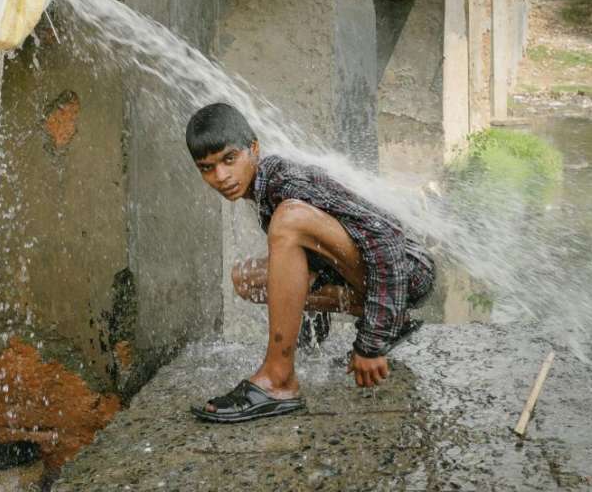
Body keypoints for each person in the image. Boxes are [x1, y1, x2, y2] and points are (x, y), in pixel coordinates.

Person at [186, 102, 435, 423]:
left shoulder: (284, 181)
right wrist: (307, 330)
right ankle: (389, 321)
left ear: (254, 148)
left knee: (289, 219)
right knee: (245, 278)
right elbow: (310, 259)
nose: (221, 176)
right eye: (207, 168)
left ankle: (278, 381)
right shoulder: (261, 189)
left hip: (409, 271)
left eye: (229, 159)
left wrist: (371, 345)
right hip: (371, 276)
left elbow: (386, 240)